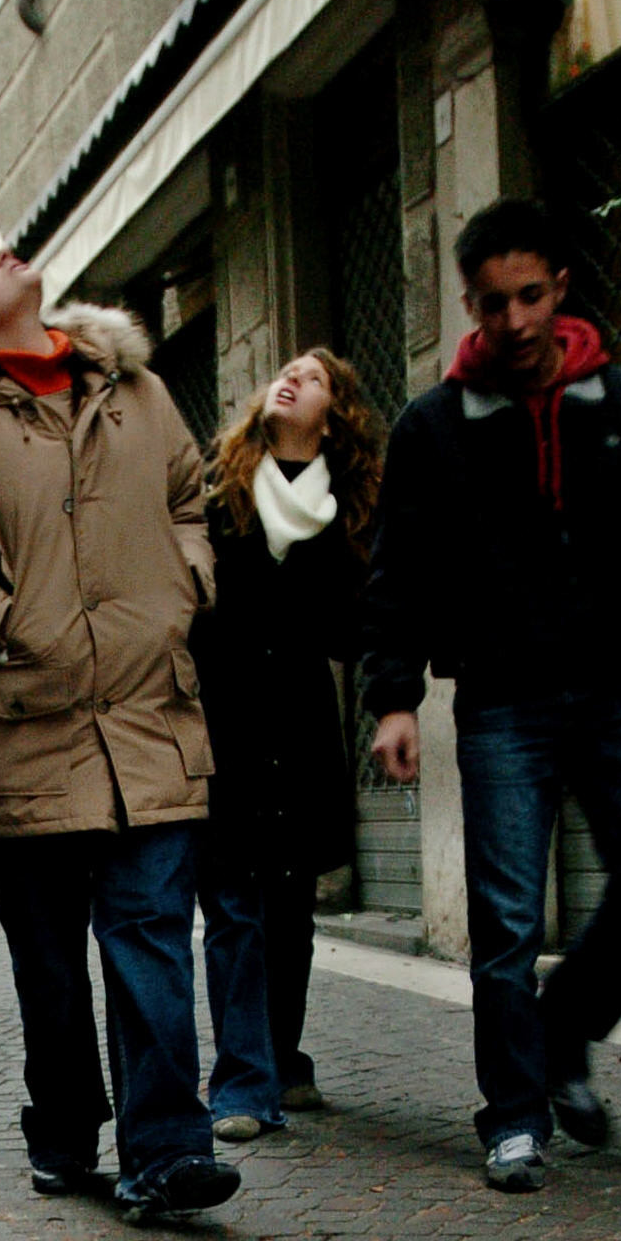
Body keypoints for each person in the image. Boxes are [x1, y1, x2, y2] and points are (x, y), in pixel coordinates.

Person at [365, 195, 621, 1193]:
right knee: (506, 925)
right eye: (493, 304)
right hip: (497, 704)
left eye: (530, 296)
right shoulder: (434, 427)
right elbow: (394, 571)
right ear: (469, 307)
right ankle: (514, 1115)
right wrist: (393, 699)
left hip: (616, 690)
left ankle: (563, 1030)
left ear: (560, 288)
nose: (515, 321)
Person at [0, 244, 239, 1224]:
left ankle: (165, 1153)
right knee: (49, 964)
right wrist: (7, 620)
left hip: (147, 715)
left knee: (151, 942)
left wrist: (187, 580)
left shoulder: (136, 391)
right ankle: (65, 1129)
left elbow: (186, 495)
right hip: (29, 729)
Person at [194, 349, 382, 1139]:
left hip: (300, 733)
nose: (291, 377)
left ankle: (279, 1054)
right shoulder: (218, 494)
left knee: (290, 914)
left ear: (334, 414)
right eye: (287, 368)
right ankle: (242, 1082)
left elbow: (349, 633)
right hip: (224, 727)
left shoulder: (350, 513)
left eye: (315, 376)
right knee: (233, 905)